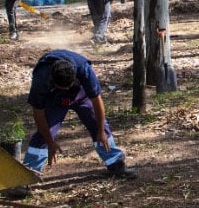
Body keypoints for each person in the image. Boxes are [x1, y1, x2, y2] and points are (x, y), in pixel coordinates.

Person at [21, 50, 137, 179]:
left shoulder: (84, 69)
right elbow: (38, 114)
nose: (66, 90)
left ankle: (115, 164)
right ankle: (28, 175)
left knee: (98, 124)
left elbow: (96, 100)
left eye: (67, 86)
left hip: (80, 95)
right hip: (54, 99)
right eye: (61, 87)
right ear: (52, 79)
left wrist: (101, 131)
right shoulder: (41, 78)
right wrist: (50, 143)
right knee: (46, 131)